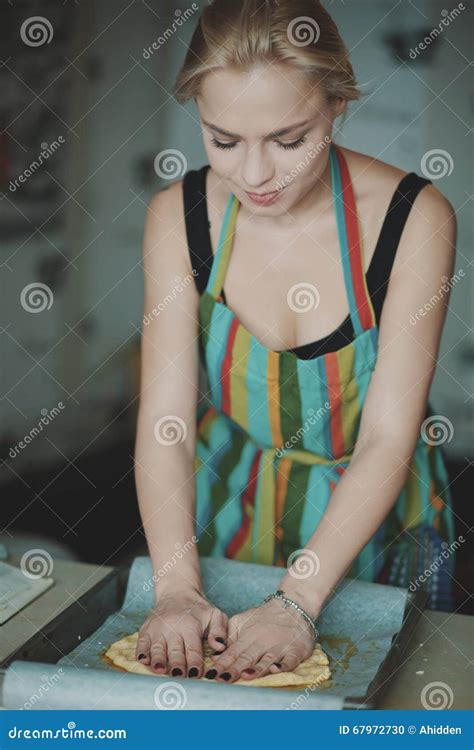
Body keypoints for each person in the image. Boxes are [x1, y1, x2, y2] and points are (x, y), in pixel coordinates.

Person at [134, 0, 457, 685]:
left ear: (337, 105)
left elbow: (387, 439)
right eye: (223, 140)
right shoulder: (179, 216)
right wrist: (177, 588)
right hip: (225, 505)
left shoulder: (412, 220)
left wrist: (299, 601)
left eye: (288, 139)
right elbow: (166, 427)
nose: (253, 176)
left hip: (369, 521)